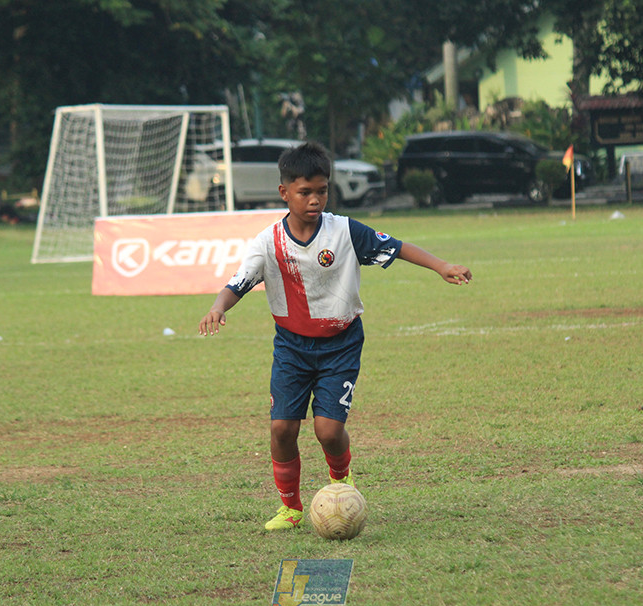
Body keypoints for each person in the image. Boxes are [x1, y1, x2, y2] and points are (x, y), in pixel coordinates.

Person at [197, 141, 472, 531]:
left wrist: (441, 265)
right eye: (305, 192)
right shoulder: (267, 242)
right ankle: (290, 508)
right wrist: (218, 307)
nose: (315, 199)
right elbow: (238, 283)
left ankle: (341, 484)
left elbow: (396, 246)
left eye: (322, 191)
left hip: (340, 344)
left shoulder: (344, 230)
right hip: (292, 347)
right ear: (284, 193)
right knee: (281, 428)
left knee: (328, 430)